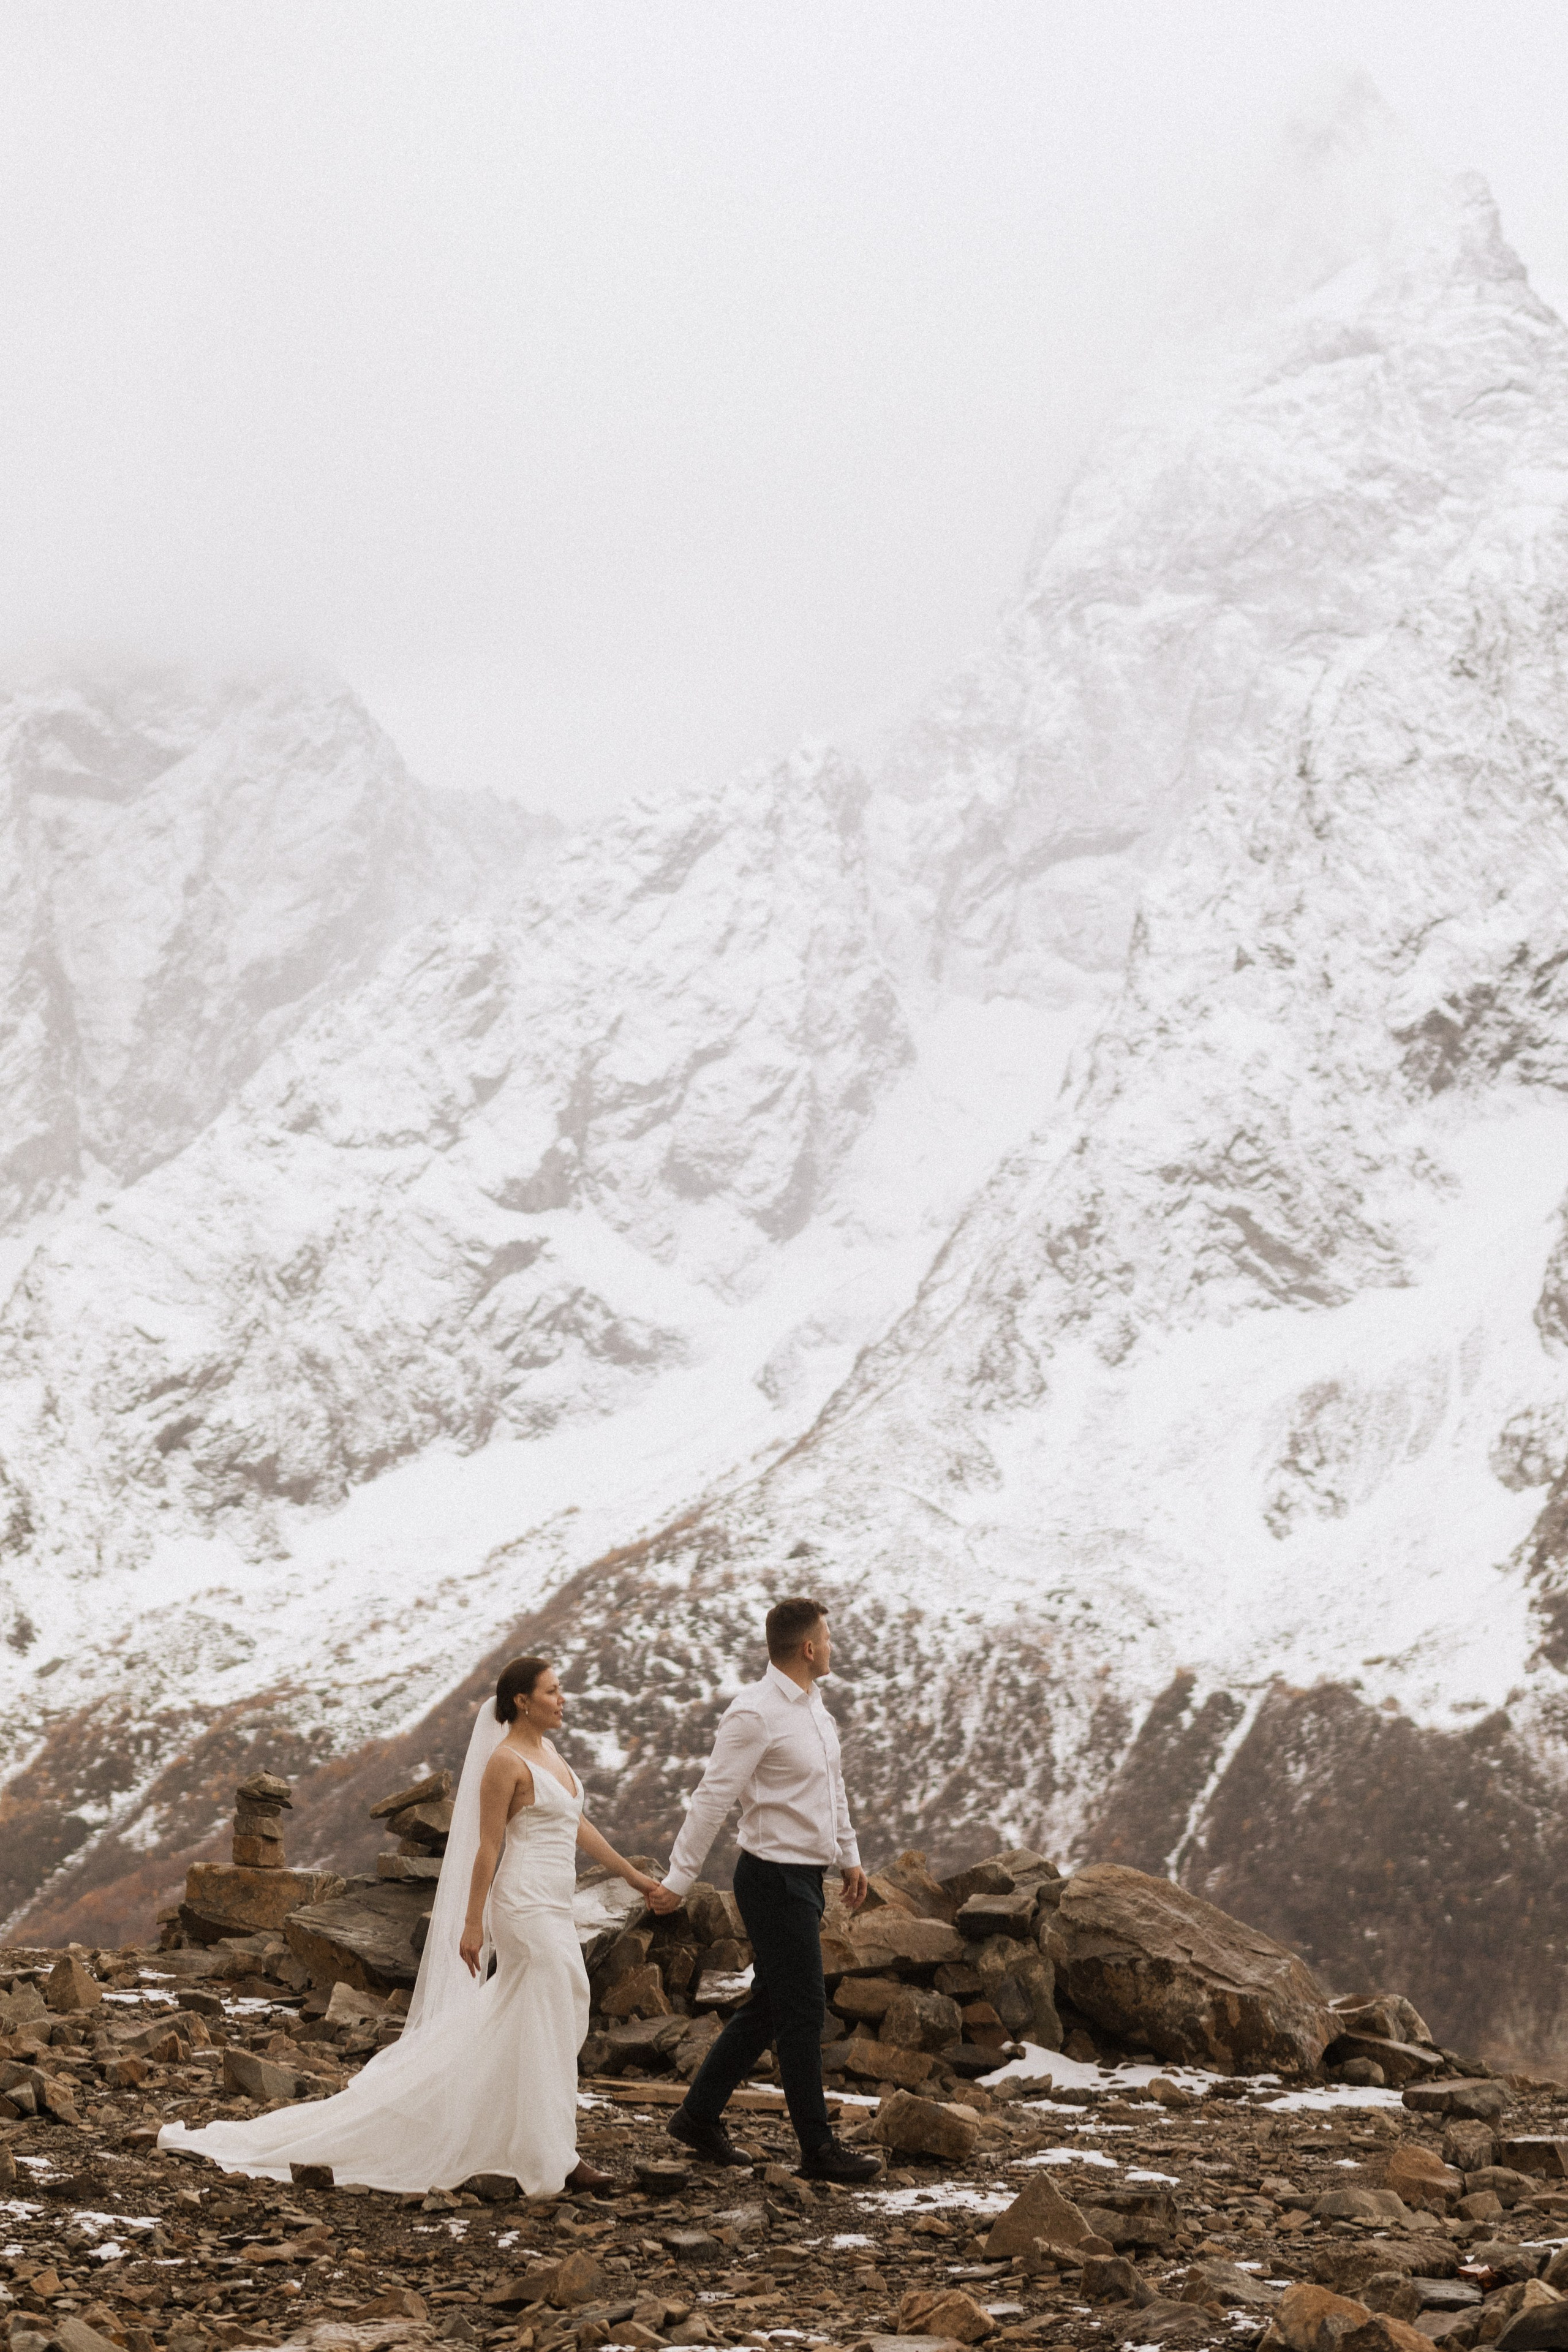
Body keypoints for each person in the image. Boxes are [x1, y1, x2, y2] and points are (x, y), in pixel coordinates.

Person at [159, 1657, 664, 2195]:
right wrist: (474, 1923)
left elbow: (577, 1824)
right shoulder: (505, 1763)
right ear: (522, 1700)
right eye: (553, 1691)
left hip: (556, 1903)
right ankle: (554, 2156)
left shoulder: (551, 1755)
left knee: (551, 2011)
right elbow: (487, 1846)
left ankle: (505, 2125)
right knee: (550, 2007)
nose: (562, 1700)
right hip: (522, 1906)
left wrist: (634, 1875)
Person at [655, 1596, 880, 2182]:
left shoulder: (815, 1709)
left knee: (771, 2007)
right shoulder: (754, 1714)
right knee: (803, 2011)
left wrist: (849, 1856)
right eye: (827, 1638)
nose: (831, 1646)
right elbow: (712, 1797)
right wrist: (679, 1879)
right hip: (770, 1880)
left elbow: (833, 1789)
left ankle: (698, 2117)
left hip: (806, 1876)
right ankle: (818, 2151)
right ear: (808, 1648)